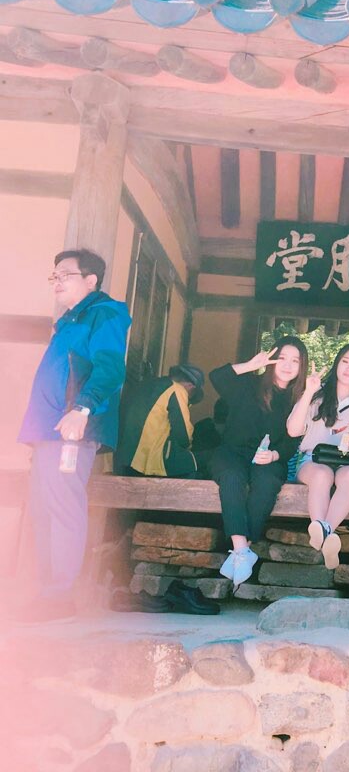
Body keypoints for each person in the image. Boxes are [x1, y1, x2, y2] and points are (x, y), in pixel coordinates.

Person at [18, 249, 131, 620]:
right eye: (54, 275)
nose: (57, 281)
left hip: (71, 430)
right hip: (49, 430)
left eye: (65, 274)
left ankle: (59, 596)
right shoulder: (69, 321)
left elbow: (110, 368)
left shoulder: (105, 313)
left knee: (63, 508)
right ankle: (46, 593)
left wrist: (82, 408)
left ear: (91, 280)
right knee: (43, 511)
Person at [208, 337, 307, 587]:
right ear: (272, 359)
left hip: (268, 457)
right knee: (232, 477)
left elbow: (293, 441)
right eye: (282, 358)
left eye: (295, 361)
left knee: (267, 481)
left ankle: (241, 553)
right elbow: (216, 377)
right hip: (232, 452)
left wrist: (274, 455)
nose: (287, 365)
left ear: (302, 366)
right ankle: (241, 549)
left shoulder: (298, 399)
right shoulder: (249, 384)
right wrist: (250, 366)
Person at [286, 342, 349, 570]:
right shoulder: (316, 396)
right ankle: (327, 535)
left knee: (348, 476)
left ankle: (323, 531)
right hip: (315, 460)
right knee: (322, 475)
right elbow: (293, 430)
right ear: (337, 363)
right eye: (345, 361)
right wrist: (308, 392)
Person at [115, 364, 205, 477]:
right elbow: (183, 436)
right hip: (145, 459)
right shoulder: (176, 389)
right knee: (192, 465)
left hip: (122, 455)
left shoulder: (147, 384)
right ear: (191, 386)